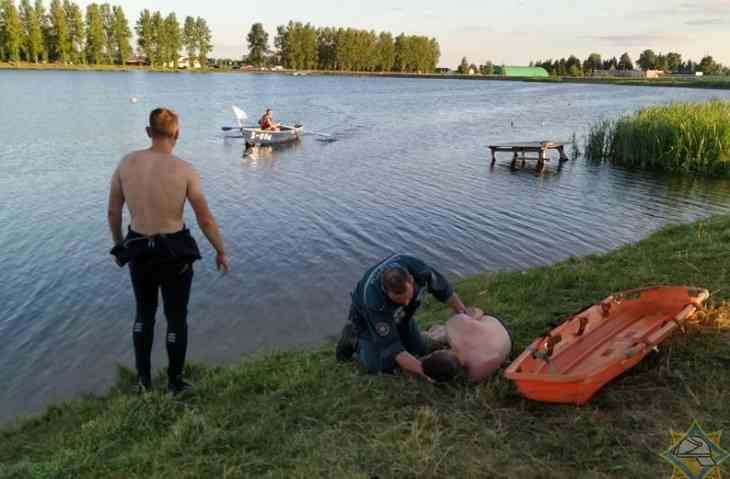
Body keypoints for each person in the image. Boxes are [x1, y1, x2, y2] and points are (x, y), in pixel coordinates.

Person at [107, 107, 229, 394]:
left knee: (144, 314)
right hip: (173, 250)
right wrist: (221, 251)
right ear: (177, 133)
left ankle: (143, 382)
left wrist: (119, 245)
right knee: (176, 317)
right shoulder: (185, 170)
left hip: (138, 247)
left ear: (149, 132)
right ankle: (175, 383)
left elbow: (113, 212)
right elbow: (205, 218)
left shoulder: (126, 164)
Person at [336, 254, 470, 381]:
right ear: (386, 292)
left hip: (402, 315)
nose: (406, 302)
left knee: (418, 349)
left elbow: (445, 291)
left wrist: (465, 317)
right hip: (366, 321)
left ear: (411, 279)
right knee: (382, 366)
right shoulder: (373, 300)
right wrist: (426, 373)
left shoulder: (420, 270)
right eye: (400, 300)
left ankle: (401, 328)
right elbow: (393, 348)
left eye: (408, 297)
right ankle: (353, 340)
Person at [422, 309, 512, 383]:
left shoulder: (475, 375)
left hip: (509, 342)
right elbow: (477, 312)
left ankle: (432, 333)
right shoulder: (454, 329)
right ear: (441, 350)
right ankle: (433, 331)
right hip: (496, 324)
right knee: (442, 332)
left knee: (441, 334)